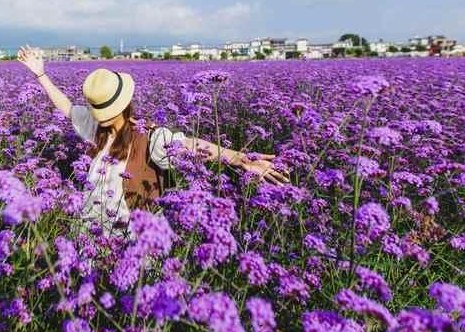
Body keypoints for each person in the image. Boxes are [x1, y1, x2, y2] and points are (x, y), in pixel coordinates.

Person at [16, 45, 289, 234]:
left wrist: (241, 159)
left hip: (133, 243)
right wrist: (40, 74)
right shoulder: (97, 129)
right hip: (91, 236)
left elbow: (193, 145)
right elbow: (65, 106)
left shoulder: (150, 137)